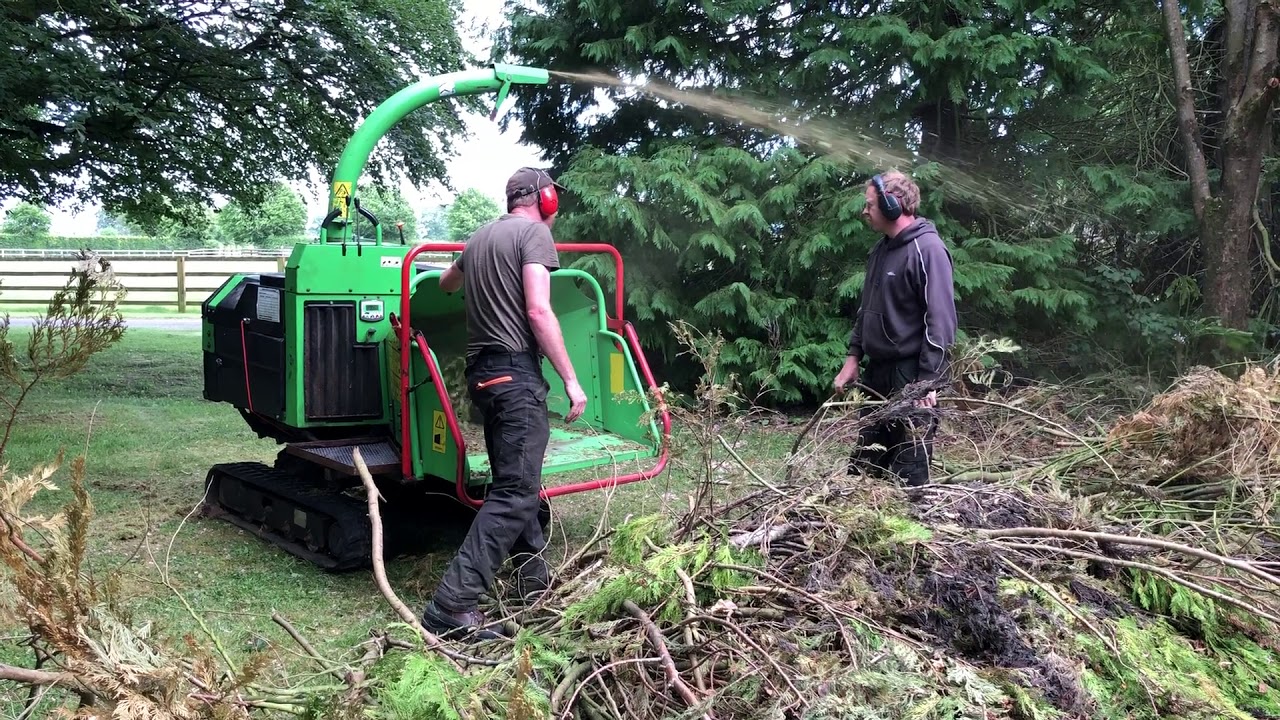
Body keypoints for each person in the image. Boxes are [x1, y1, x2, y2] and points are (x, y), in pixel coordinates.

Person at [421, 166, 588, 640]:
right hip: (515, 375)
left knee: (519, 482)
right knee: (514, 492)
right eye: (554, 194)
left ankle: (534, 585)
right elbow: (538, 309)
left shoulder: (480, 237)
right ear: (545, 199)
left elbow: (446, 285)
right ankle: (452, 605)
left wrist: (473, 268)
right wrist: (571, 380)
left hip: (483, 378)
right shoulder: (534, 235)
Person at [834, 170, 957, 487]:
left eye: (870, 205)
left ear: (893, 205)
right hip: (877, 374)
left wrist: (927, 382)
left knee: (908, 465)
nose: (864, 211)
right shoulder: (880, 250)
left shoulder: (928, 250)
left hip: (910, 373)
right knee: (867, 463)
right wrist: (853, 357)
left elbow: (940, 322)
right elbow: (867, 310)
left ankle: (911, 530)